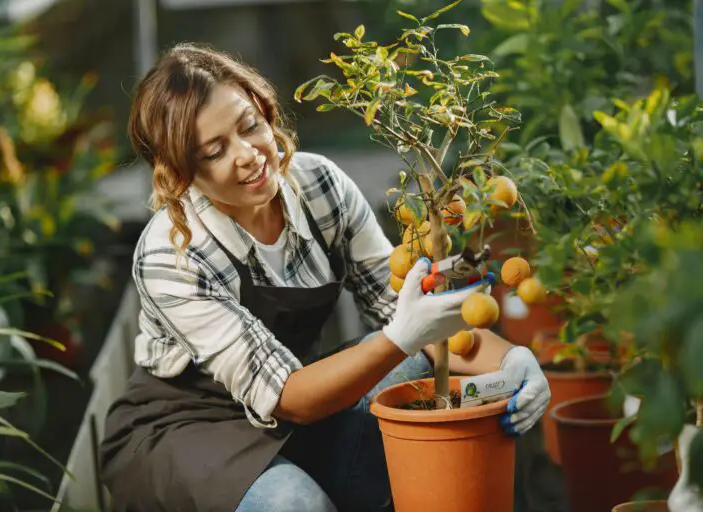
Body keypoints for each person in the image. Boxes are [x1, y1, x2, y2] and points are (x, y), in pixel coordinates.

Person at [99, 43, 551, 512]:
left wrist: (512, 361)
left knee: (433, 376)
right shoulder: (172, 253)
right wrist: (401, 336)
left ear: (264, 107)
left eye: (249, 126)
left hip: (291, 411)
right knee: (294, 504)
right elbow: (292, 397)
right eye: (215, 151)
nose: (249, 155)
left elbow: (411, 315)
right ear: (183, 174)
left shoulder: (320, 188)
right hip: (187, 430)